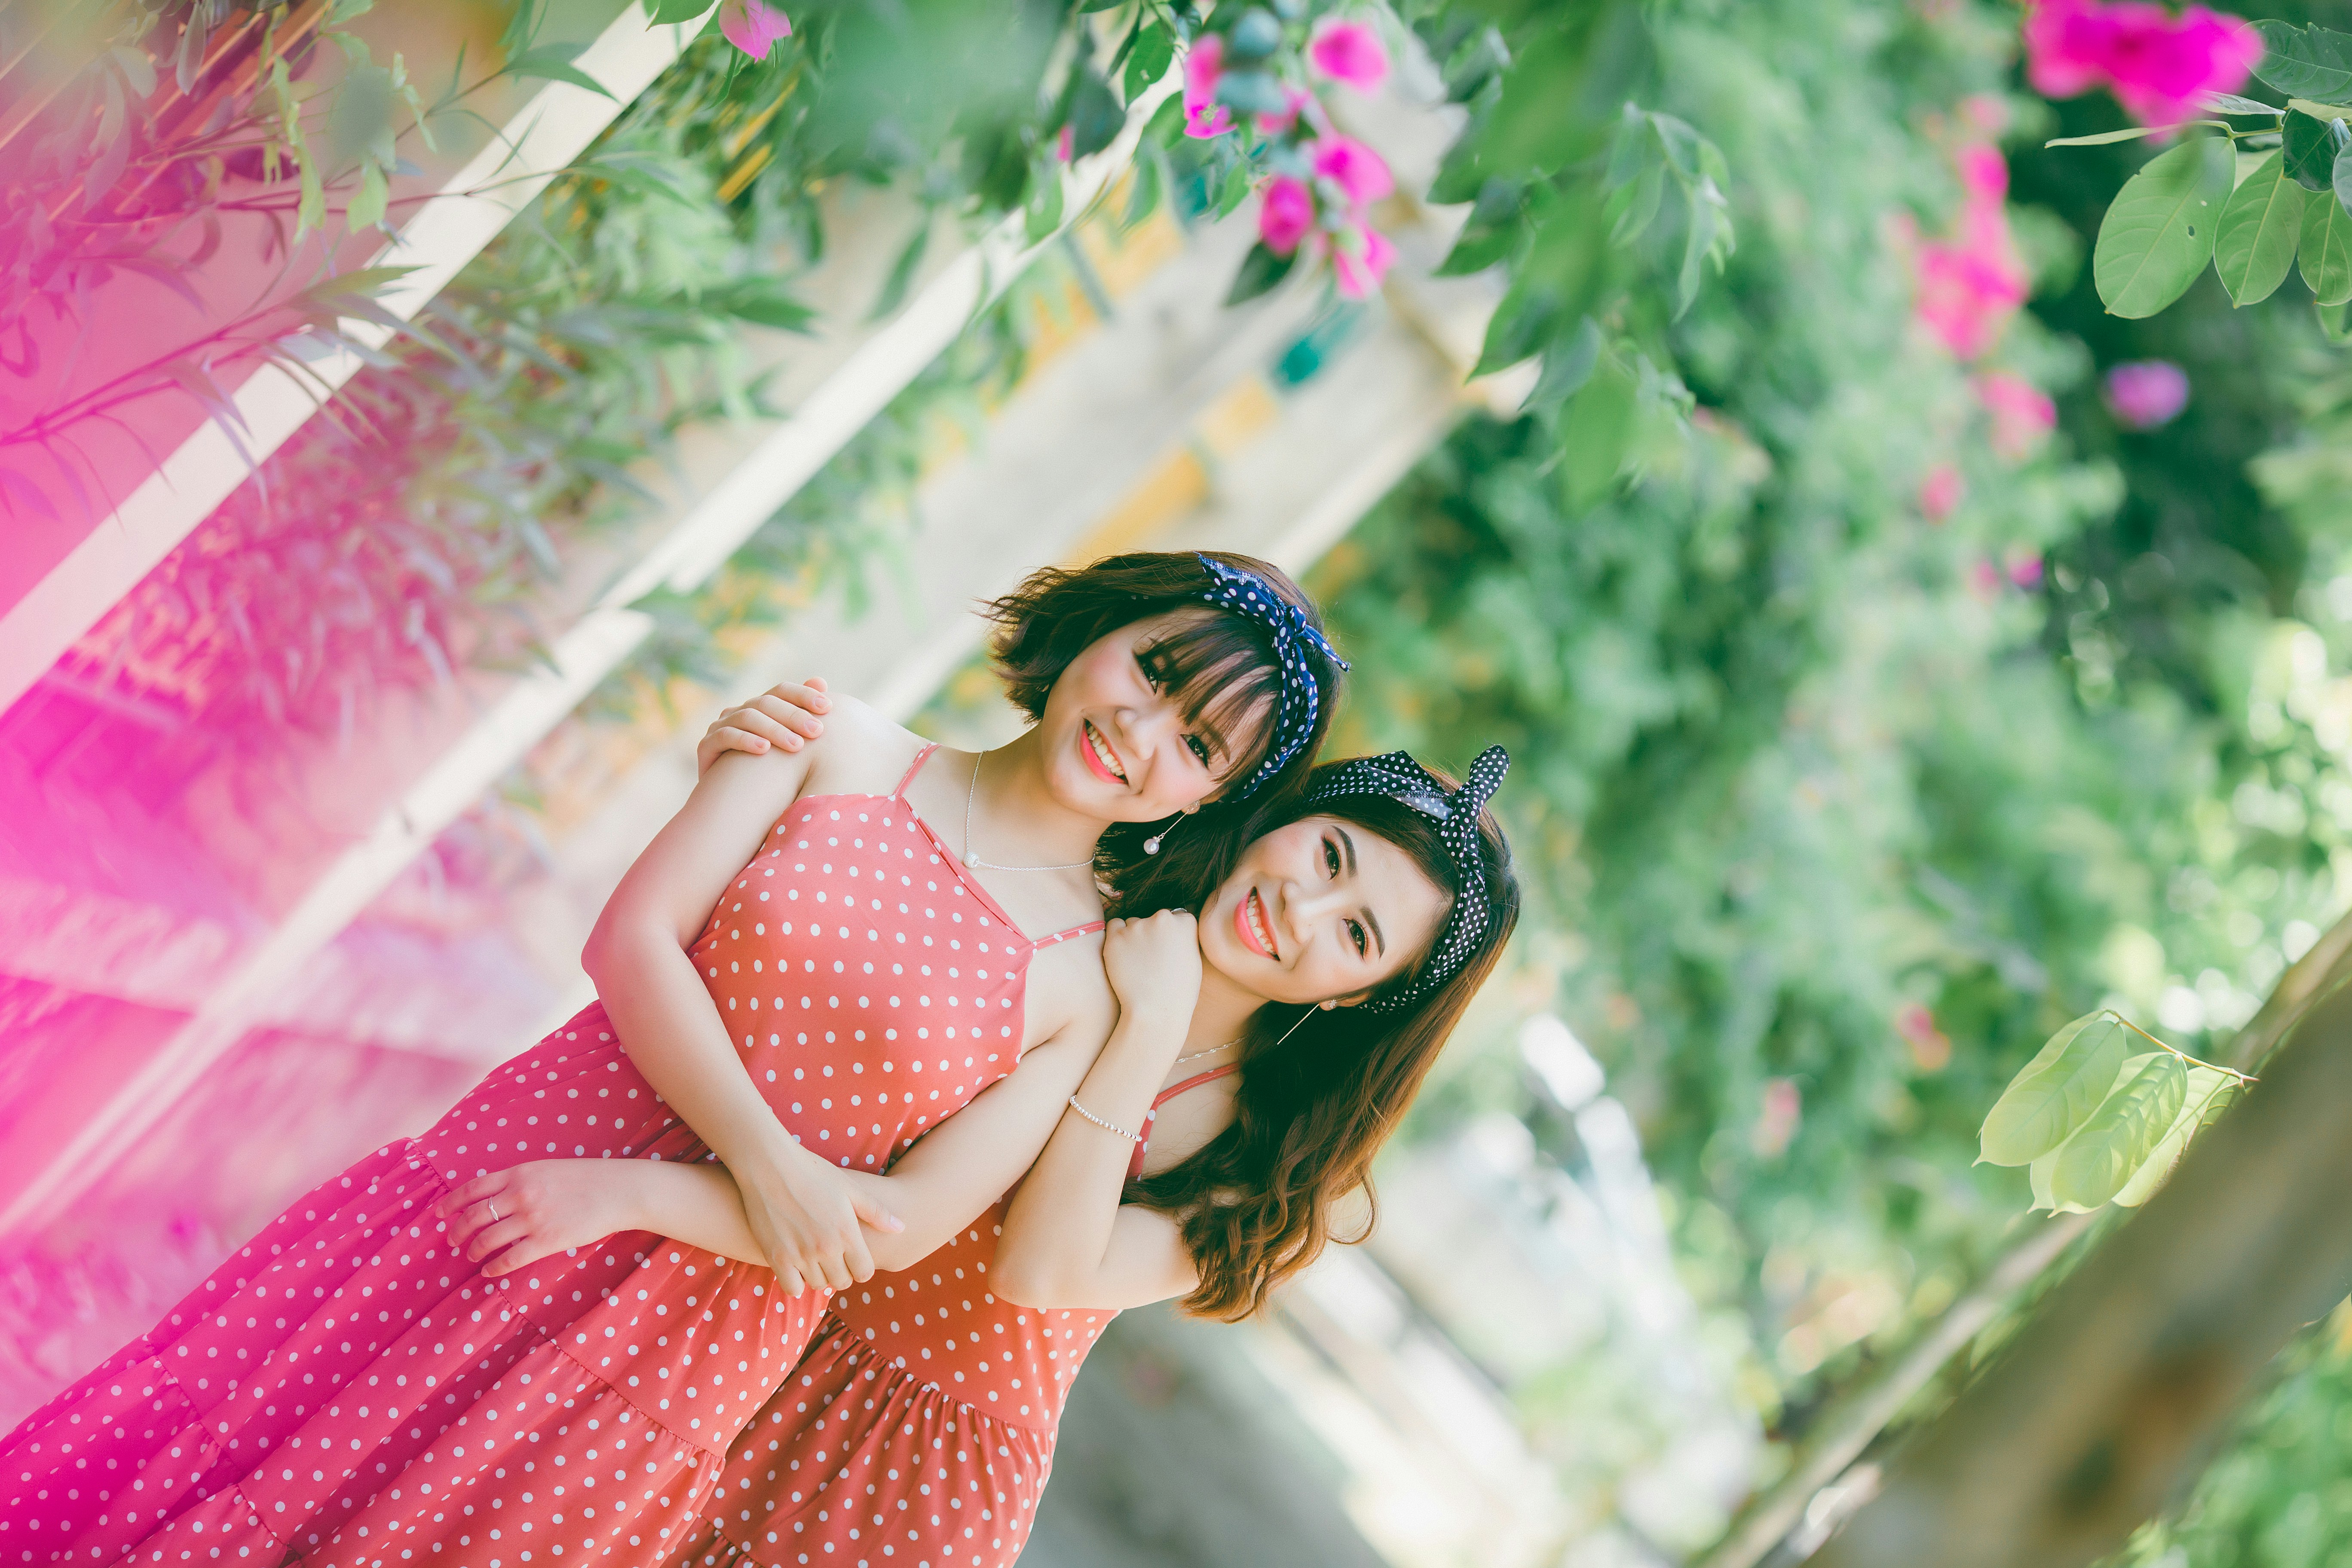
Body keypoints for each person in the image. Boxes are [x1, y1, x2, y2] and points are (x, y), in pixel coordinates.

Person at [0, 551, 1343, 1566]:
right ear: (1102, 627)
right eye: (1156, 674)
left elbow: (902, 1222)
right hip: (507, 1198)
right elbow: (633, 942)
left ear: (1211, 797)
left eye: (1199, 745)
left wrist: (641, 1196)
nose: (1144, 732)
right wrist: (764, 1162)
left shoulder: (1085, 983)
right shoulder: (834, 745)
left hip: (673, 1356)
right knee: (238, 1466)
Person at [437, 714, 1518, 1568]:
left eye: (1358, 936)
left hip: (906, 1466)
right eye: (1329, 856)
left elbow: (1043, 1267)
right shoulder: (1072, 903)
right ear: (1281, 818)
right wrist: (759, 755)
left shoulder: (1266, 1166)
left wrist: (1145, 1031)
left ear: (1364, 998)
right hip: (745, 1311)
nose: (1304, 908)